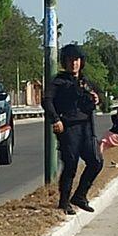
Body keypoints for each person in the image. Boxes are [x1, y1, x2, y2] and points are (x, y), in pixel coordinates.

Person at [43, 43, 103, 215]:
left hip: (86, 127)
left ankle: (80, 196)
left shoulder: (85, 82)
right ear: (64, 62)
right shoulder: (58, 82)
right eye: (70, 60)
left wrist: (96, 98)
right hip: (68, 128)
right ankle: (64, 202)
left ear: (81, 62)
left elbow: (99, 98)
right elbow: (47, 101)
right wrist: (55, 120)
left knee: (96, 161)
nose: (73, 64)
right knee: (70, 165)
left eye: (76, 60)